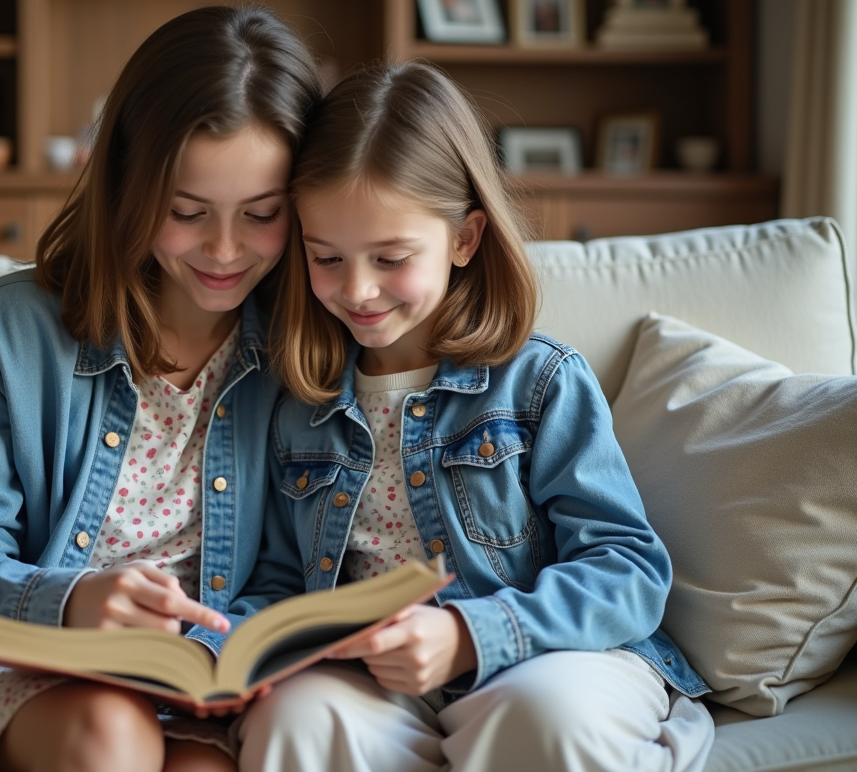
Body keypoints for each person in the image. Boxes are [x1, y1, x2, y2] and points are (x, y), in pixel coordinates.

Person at [0, 5, 321, 772]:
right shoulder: (7, 332)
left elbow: (288, 575)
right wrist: (72, 602)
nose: (225, 250)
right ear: (130, 186)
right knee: (110, 735)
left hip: (191, 683)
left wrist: (212, 652)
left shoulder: (303, 350)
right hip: (4, 664)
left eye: (262, 215)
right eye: (187, 212)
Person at [232, 61, 715, 772]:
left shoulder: (539, 382)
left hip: (544, 659)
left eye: (390, 258)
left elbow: (628, 571)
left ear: (465, 238)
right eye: (326, 257)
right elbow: (279, 583)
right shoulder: (300, 404)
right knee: (293, 721)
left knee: (541, 718)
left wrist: (469, 635)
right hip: (380, 686)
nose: (357, 289)